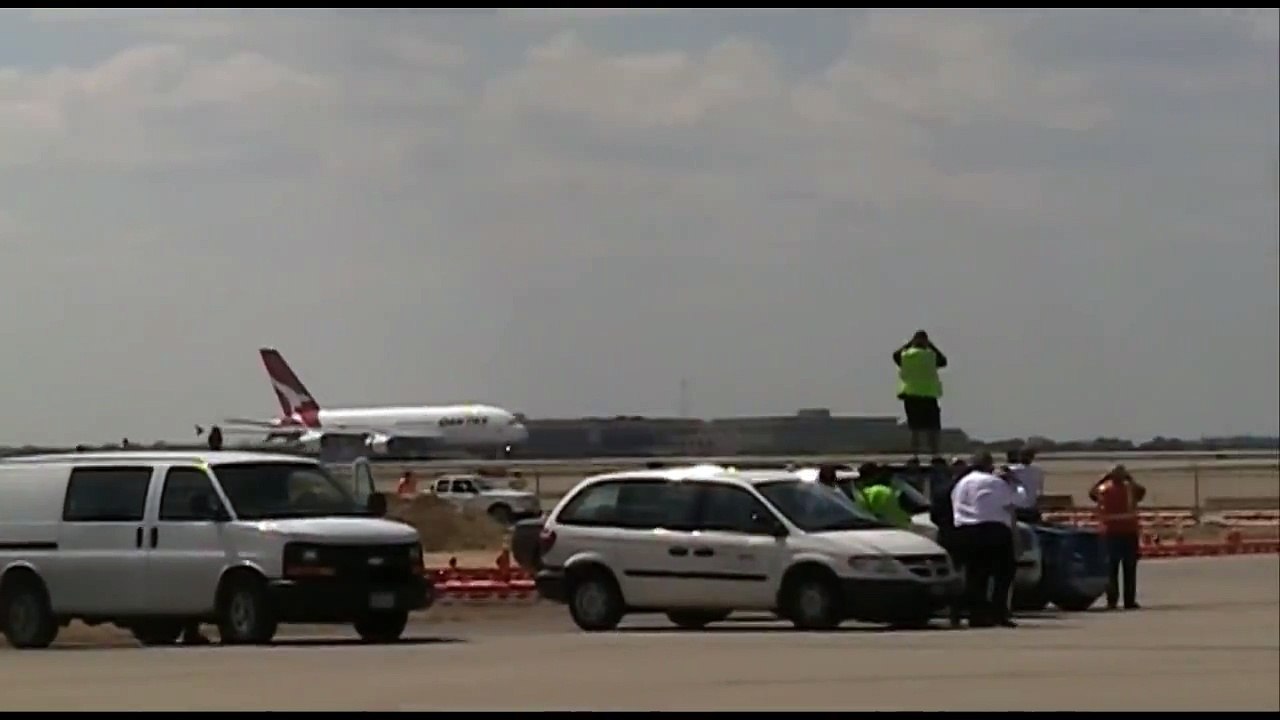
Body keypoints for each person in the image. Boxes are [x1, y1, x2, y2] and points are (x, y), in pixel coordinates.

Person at [951, 450, 1020, 628]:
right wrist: (1013, 482)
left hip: (965, 530)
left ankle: (976, 613)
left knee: (975, 575)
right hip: (992, 529)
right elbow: (1018, 501)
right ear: (988, 465)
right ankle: (998, 612)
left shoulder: (961, 483)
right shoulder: (994, 482)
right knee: (1003, 574)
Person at [1089, 464, 1147, 610]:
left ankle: (1112, 601)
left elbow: (1091, 493)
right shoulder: (1130, 489)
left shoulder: (1103, 489)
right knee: (1129, 569)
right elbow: (1142, 492)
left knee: (1111, 569)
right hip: (1128, 532)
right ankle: (1129, 601)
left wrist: (1103, 479)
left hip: (1110, 532)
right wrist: (1130, 479)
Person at [893, 330, 948, 462]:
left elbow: (895, 356)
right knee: (933, 428)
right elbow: (943, 361)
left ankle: (915, 455)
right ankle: (935, 455)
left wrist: (908, 344)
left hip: (912, 395)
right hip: (929, 395)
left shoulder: (906, 356)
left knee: (915, 428)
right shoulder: (931, 356)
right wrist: (932, 345)